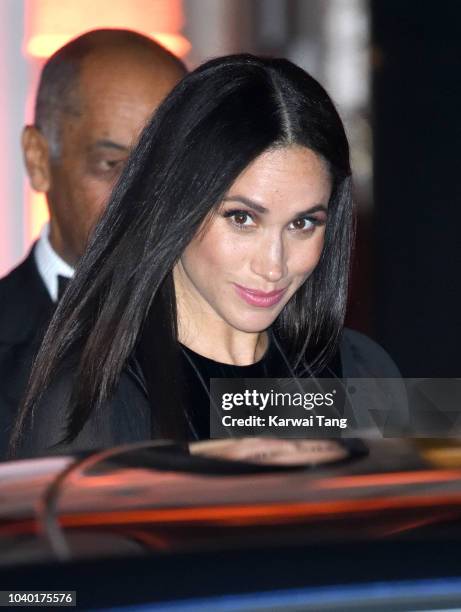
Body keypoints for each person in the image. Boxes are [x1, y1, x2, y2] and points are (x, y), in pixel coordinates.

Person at [10, 54, 402, 459]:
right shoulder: (96, 402)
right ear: (176, 204)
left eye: (302, 224)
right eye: (242, 218)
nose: (273, 265)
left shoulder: (359, 369)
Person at [0, 29, 186, 454]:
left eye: (168, 166)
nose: (145, 196)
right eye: (113, 164)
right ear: (38, 159)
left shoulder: (249, 326)